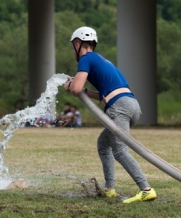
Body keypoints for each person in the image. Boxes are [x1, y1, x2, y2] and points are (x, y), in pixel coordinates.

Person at [63, 26, 157, 204]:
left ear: (77, 43)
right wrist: (85, 91)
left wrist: (71, 86)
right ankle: (110, 189)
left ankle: (146, 189)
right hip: (131, 105)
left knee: (120, 150)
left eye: (72, 46)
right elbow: (103, 94)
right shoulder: (101, 60)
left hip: (119, 107)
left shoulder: (85, 59)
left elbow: (75, 89)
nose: (72, 51)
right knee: (104, 143)